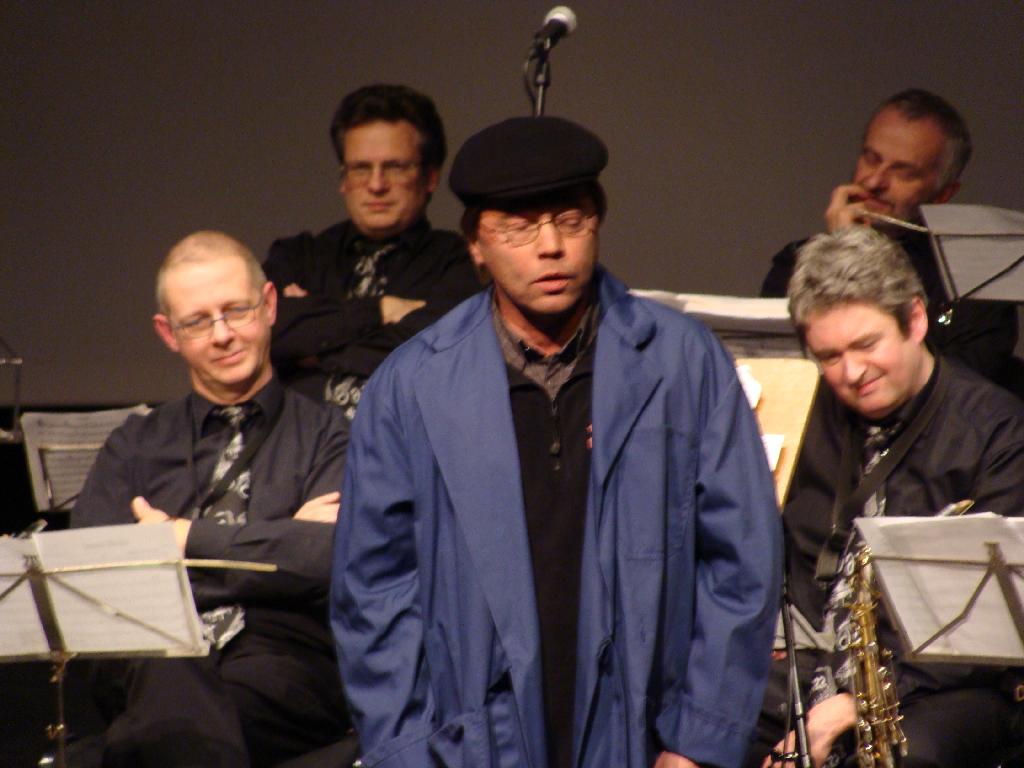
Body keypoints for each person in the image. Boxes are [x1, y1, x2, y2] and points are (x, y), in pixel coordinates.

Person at [330, 116, 783, 768]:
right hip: (473, 745)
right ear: (475, 244)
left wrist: (697, 742)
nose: (551, 247)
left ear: (598, 222)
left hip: (646, 737)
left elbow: (742, 562)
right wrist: (407, 754)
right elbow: (373, 592)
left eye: (570, 221)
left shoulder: (683, 362)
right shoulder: (413, 386)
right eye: (518, 229)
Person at [72, 232, 353, 767]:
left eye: (236, 311)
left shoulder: (329, 435)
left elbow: (327, 558)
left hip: (281, 668)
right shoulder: (134, 444)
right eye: (198, 322)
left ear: (269, 306)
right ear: (168, 333)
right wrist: (278, 543)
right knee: (166, 661)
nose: (223, 335)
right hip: (147, 663)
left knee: (148, 734)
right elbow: (94, 580)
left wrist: (179, 542)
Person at [747, 228, 1024, 768]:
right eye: (829, 356)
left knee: (906, 756)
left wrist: (850, 704)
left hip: (943, 682)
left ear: (915, 320)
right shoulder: (803, 410)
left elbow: (993, 633)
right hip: (812, 660)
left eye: (867, 345)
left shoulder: (999, 433)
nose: (852, 373)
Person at [759, 88, 1018, 385]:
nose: (873, 181)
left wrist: (855, 257)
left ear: (943, 194)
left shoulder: (977, 290)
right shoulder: (794, 265)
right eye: (871, 159)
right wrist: (839, 253)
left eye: (903, 172)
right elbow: (785, 380)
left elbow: (948, 393)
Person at [263, 83, 481, 419]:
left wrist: (316, 344)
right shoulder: (298, 256)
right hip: (295, 446)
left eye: (395, 167)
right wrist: (380, 310)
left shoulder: (458, 261)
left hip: (403, 444)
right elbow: (263, 333)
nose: (376, 185)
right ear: (343, 179)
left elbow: (436, 354)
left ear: (430, 177)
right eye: (361, 168)